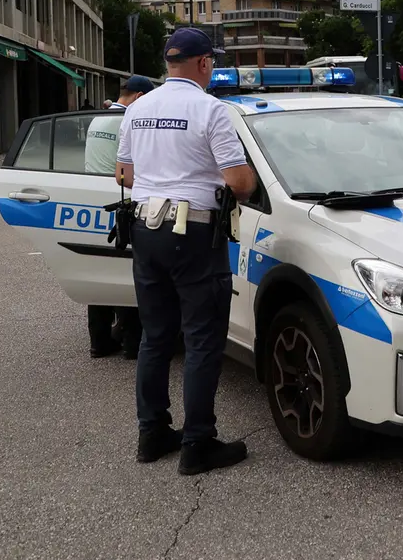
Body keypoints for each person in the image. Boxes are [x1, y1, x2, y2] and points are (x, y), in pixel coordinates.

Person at [115, 28, 256, 475]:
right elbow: (239, 183)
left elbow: (124, 174)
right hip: (193, 233)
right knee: (201, 340)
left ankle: (152, 435)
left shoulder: (137, 109)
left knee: (155, 338)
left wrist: (162, 178)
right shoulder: (210, 109)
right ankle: (198, 443)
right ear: (203, 64)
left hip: (145, 229)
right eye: (211, 63)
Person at [85, 75, 155, 360]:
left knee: (99, 272)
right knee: (127, 272)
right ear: (139, 97)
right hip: (120, 203)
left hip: (90, 199)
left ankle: (99, 341)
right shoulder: (128, 121)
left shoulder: (98, 117)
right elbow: (132, 170)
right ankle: (131, 342)